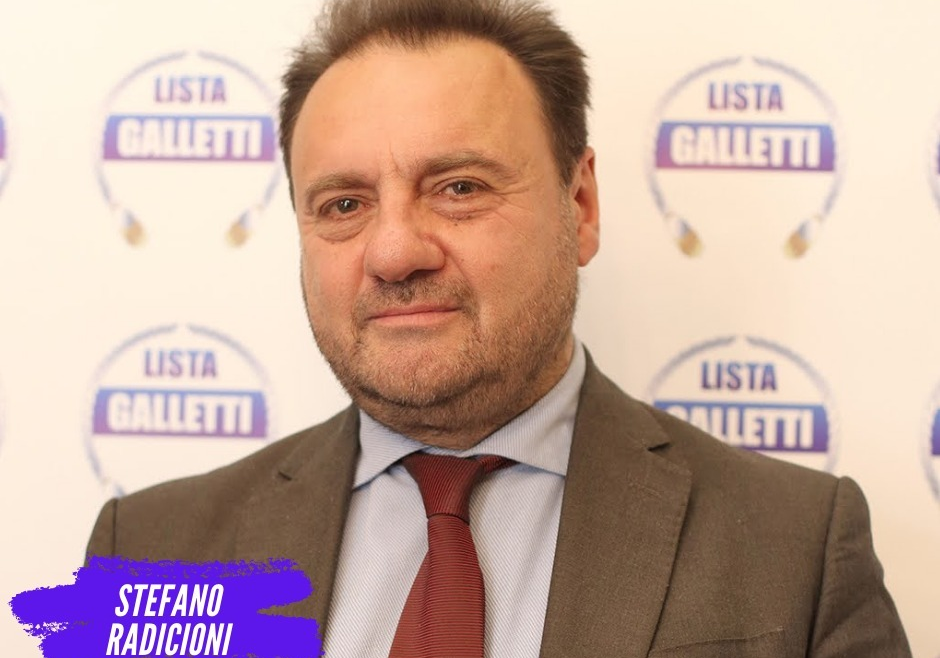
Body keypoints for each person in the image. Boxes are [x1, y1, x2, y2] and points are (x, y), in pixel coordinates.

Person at [87, 0, 912, 655]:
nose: (395, 252)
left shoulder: (796, 549)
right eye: (343, 204)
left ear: (580, 205)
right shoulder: (154, 554)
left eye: (459, 188)